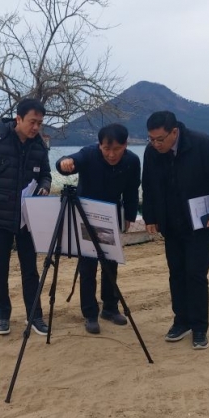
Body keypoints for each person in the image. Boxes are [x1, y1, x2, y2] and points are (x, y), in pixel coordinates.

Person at [141, 110, 209, 349]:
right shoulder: (151, 152)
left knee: (195, 273)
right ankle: (181, 321)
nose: (156, 144)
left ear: (174, 132)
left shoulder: (202, 144)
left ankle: (199, 327)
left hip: (200, 222)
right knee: (176, 272)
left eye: (160, 139)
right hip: (170, 222)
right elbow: (148, 186)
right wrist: (150, 216)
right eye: (151, 139)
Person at [0, 98, 52, 336]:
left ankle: (35, 316)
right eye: (32, 122)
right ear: (18, 119)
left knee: (30, 269)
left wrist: (44, 186)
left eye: (39, 123)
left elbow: (46, 174)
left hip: (28, 216)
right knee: (0, 269)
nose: (36, 127)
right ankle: (3, 316)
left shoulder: (39, 146)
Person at [56, 123, 141, 334]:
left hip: (111, 216)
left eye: (117, 149)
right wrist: (64, 162)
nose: (111, 154)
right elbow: (71, 161)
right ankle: (90, 313)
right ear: (99, 145)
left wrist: (129, 216)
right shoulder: (89, 154)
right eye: (106, 149)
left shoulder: (132, 161)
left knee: (111, 264)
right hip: (85, 216)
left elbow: (132, 191)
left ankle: (110, 307)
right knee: (88, 267)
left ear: (125, 145)